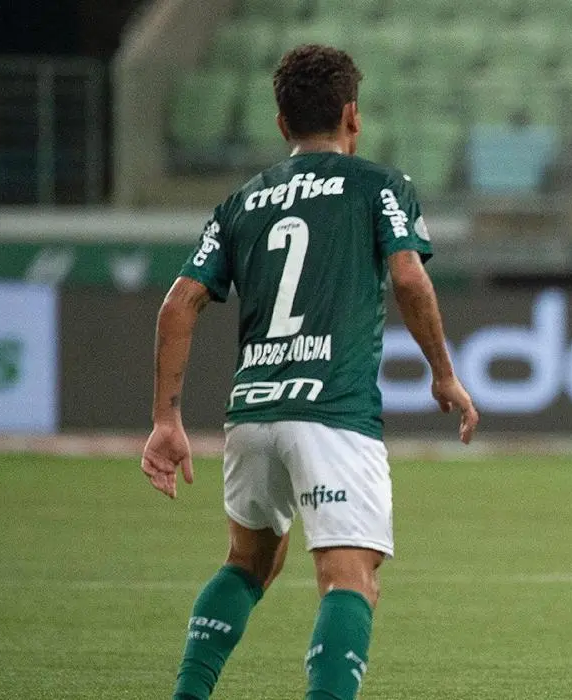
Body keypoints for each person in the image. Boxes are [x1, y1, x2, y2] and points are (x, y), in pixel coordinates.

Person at [139, 45, 478, 700]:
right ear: (353, 115)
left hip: (253, 410)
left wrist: (165, 419)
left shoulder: (241, 202)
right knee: (351, 579)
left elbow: (178, 305)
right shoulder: (380, 185)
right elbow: (409, 277)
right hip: (333, 411)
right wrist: (442, 373)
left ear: (280, 122)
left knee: (248, 564)